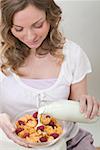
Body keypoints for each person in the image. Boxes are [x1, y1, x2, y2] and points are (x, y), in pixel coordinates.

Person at [0, 0, 100, 149]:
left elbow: (77, 108)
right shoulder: (2, 56)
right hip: (9, 142)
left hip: (65, 141)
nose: (30, 36)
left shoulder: (72, 54)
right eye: (19, 29)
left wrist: (86, 105)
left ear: (51, 17)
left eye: (38, 25)